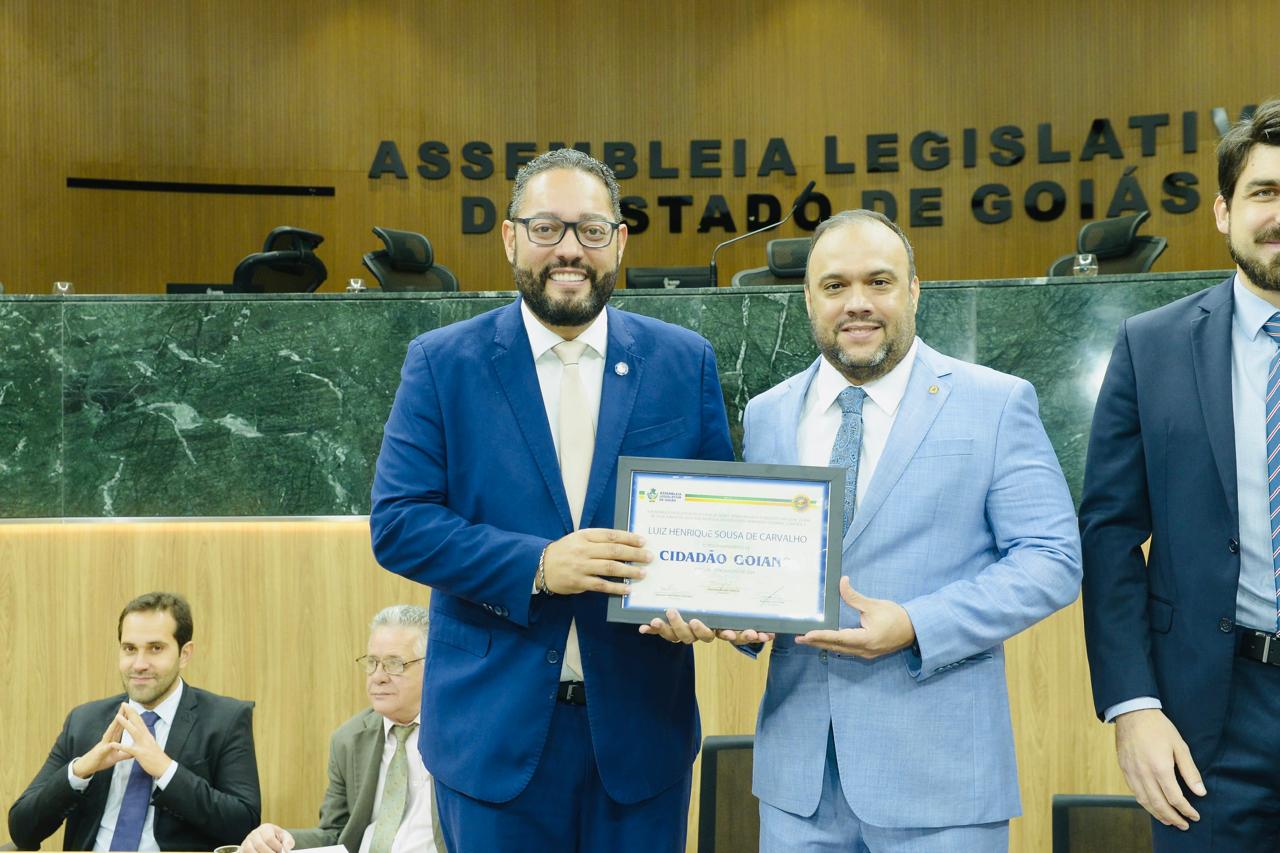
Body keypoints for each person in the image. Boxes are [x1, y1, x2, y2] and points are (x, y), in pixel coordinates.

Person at [653, 209, 1079, 852]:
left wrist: (916, 624)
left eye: (879, 282)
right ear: (807, 299)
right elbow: (762, 567)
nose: (857, 304)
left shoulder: (995, 403)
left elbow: (1051, 561)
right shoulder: (769, 414)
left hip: (941, 785)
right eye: (834, 286)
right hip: (798, 788)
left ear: (914, 289)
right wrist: (734, 616)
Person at [369, 147, 734, 851]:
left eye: (591, 230)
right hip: (490, 739)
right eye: (546, 229)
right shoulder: (442, 363)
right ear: (510, 237)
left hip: (640, 738)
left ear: (620, 241)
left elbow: (714, 517)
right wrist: (538, 565)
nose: (569, 250)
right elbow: (400, 524)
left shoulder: (682, 361)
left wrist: (730, 604)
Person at [1080, 98, 1280, 852]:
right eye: (1264, 192)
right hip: (1209, 719)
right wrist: (1132, 704)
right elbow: (1108, 535)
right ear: (1225, 211)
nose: (1278, 214)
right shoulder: (1151, 347)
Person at [8, 592, 260, 851]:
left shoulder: (226, 719)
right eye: (129, 649)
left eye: (155, 648)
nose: (139, 664)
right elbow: (22, 830)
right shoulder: (84, 721)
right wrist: (80, 771)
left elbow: (244, 823)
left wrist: (166, 771)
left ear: (185, 654)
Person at [238, 605, 443, 853]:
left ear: (433, 666)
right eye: (372, 662)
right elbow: (335, 835)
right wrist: (277, 839)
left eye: (394, 664)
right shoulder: (349, 740)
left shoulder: (461, 735)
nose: (378, 676)